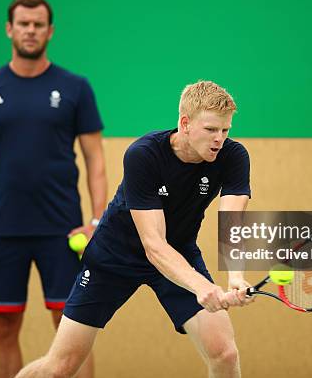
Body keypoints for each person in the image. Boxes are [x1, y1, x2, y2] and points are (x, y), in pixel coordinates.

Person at [15, 80, 254, 378]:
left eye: (225, 130)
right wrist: (202, 286)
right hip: (115, 255)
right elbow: (153, 246)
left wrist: (236, 276)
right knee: (59, 368)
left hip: (179, 252)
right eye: (211, 130)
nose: (219, 139)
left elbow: (232, 222)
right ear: (185, 123)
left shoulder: (233, 156)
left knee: (225, 353)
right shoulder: (144, 155)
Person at [0, 0, 106, 378]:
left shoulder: (76, 88)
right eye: (23, 24)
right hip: (2, 230)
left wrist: (97, 222)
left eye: (38, 24)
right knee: (2, 330)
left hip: (64, 232)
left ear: (50, 31)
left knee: (72, 332)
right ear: (9, 29)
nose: (30, 31)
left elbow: (95, 160)